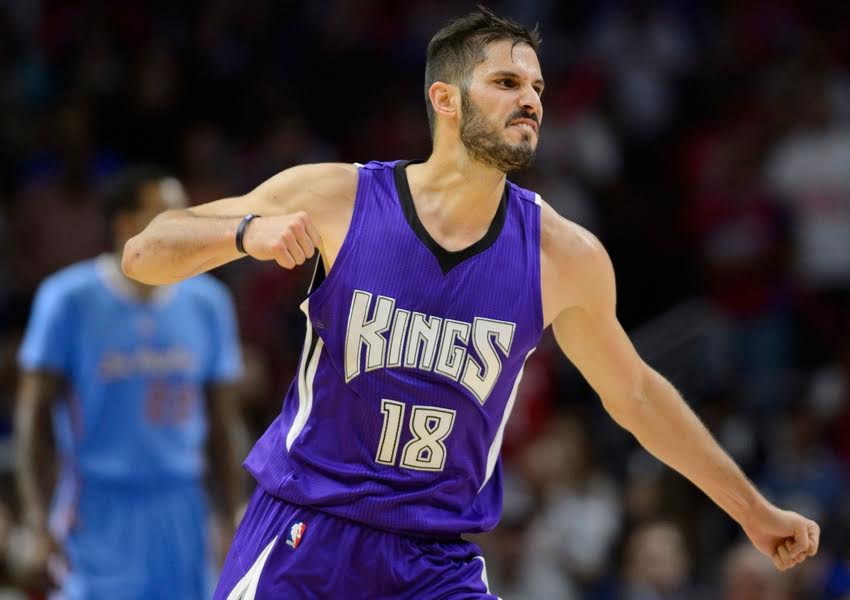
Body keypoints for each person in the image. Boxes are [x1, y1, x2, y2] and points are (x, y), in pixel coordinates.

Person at [122, 7, 820, 599]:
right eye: (507, 82)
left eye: (538, 88)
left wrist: (752, 512)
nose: (532, 101)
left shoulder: (564, 255)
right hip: (307, 532)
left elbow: (635, 394)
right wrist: (246, 233)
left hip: (436, 559)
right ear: (445, 100)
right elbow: (145, 252)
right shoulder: (338, 197)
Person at [15, 166, 245, 599]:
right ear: (126, 225)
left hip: (183, 505)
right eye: (167, 215)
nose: (184, 228)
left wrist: (233, 512)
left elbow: (223, 422)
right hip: (96, 504)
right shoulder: (67, 299)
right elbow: (33, 419)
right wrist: (35, 518)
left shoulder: (209, 303)